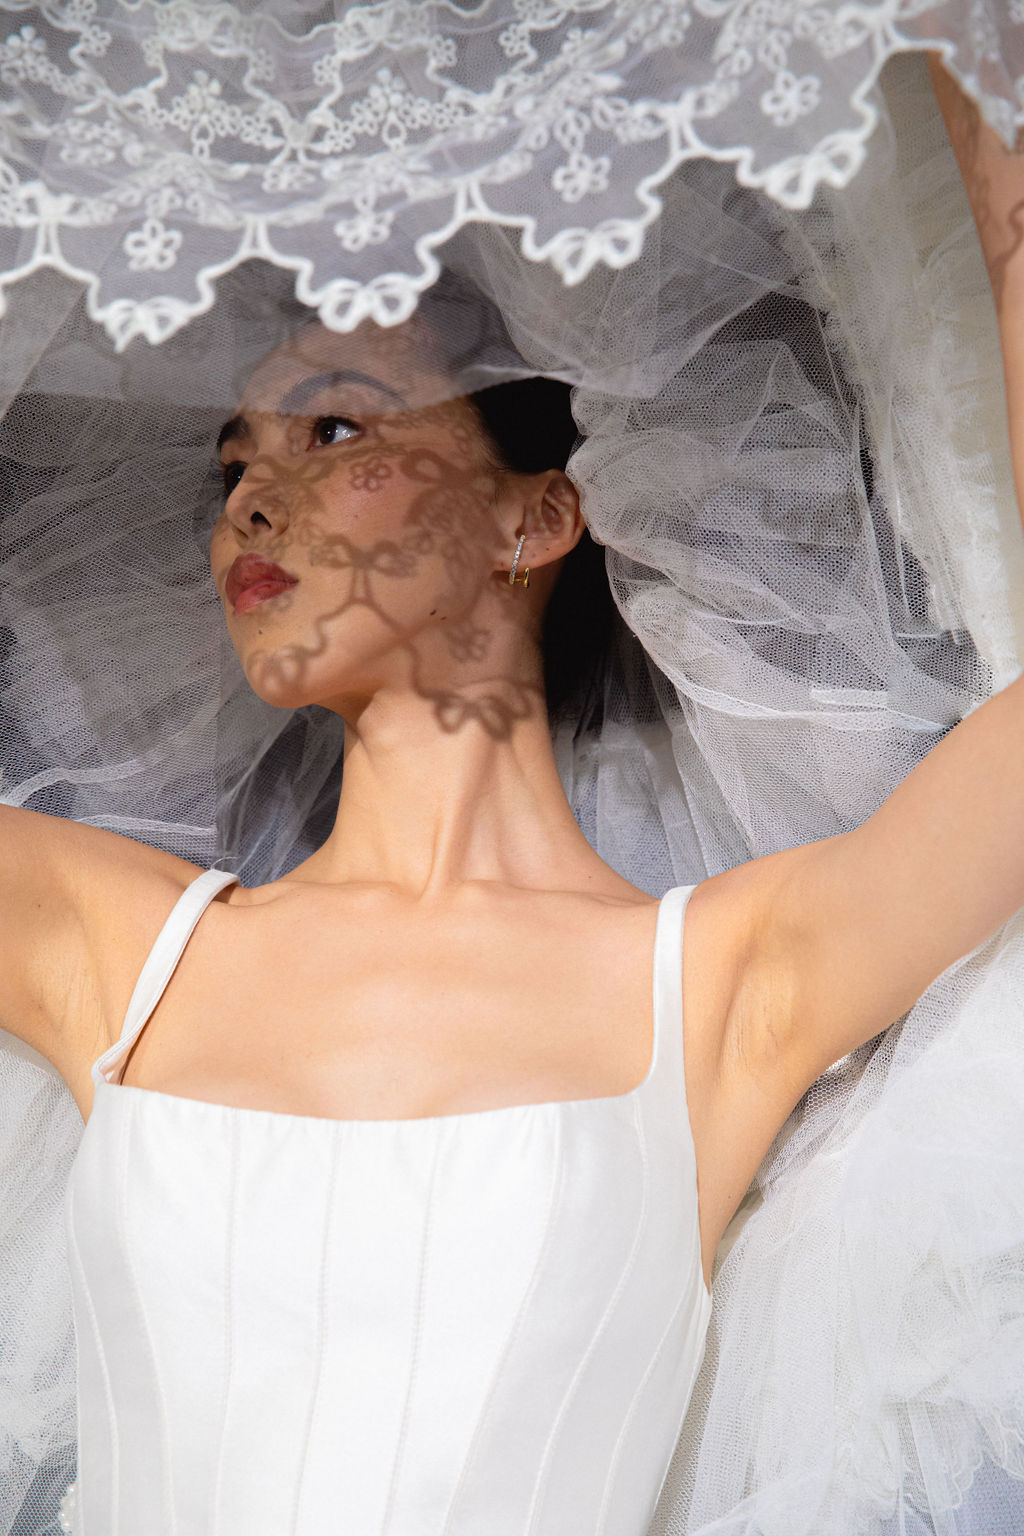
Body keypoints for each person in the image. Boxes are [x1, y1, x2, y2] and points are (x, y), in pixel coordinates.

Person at [0, 43, 1022, 1536]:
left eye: (336, 432)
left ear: (534, 519)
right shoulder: (111, 947)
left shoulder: (721, 988)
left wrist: (997, 134)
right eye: (233, 468)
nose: (254, 502)